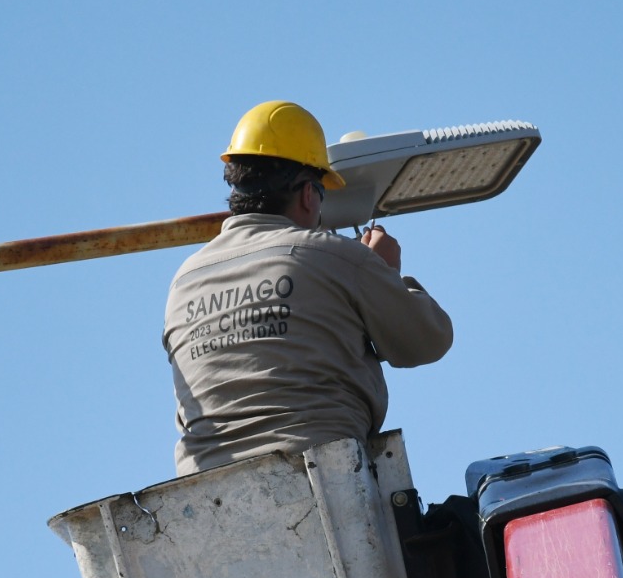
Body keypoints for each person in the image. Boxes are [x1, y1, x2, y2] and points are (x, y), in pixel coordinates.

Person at [163, 101, 453, 475]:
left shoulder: (183, 281)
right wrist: (387, 273)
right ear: (307, 194)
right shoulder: (336, 257)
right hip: (324, 477)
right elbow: (426, 340)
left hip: (207, 492)